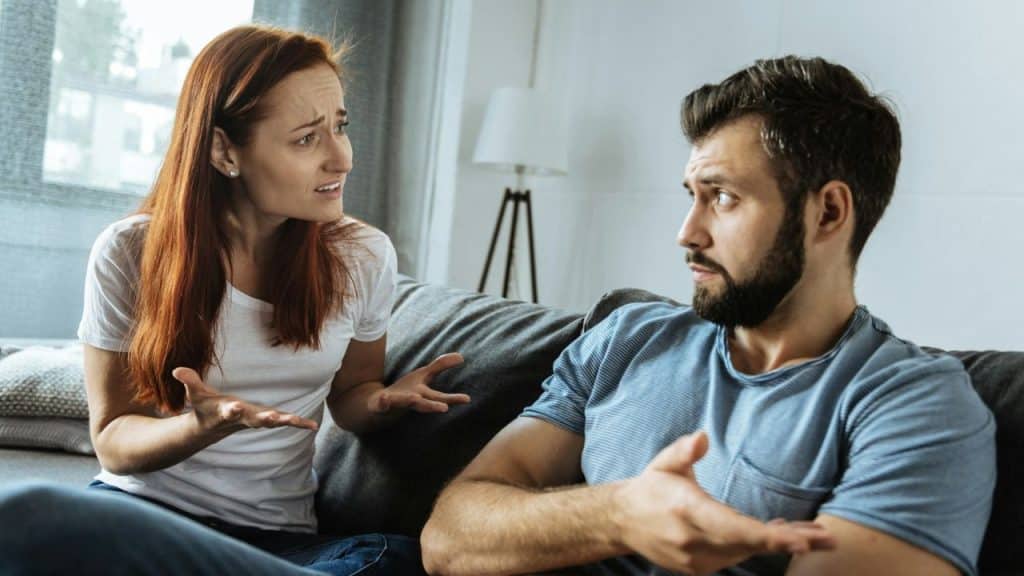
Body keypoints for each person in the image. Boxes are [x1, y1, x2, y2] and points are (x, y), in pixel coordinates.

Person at [420, 56, 996, 576]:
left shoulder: (917, 406)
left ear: (828, 212)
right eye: (691, 195)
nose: (686, 233)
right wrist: (619, 514)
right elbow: (447, 540)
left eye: (722, 197)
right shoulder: (627, 336)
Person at [0, 24, 469, 575]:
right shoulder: (131, 252)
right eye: (306, 139)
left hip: (275, 543)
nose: (340, 158)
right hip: (143, 515)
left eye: (341, 127)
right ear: (225, 149)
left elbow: (351, 394)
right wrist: (200, 427)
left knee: (396, 559)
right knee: (27, 514)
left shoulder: (362, 256)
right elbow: (114, 440)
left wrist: (381, 402)